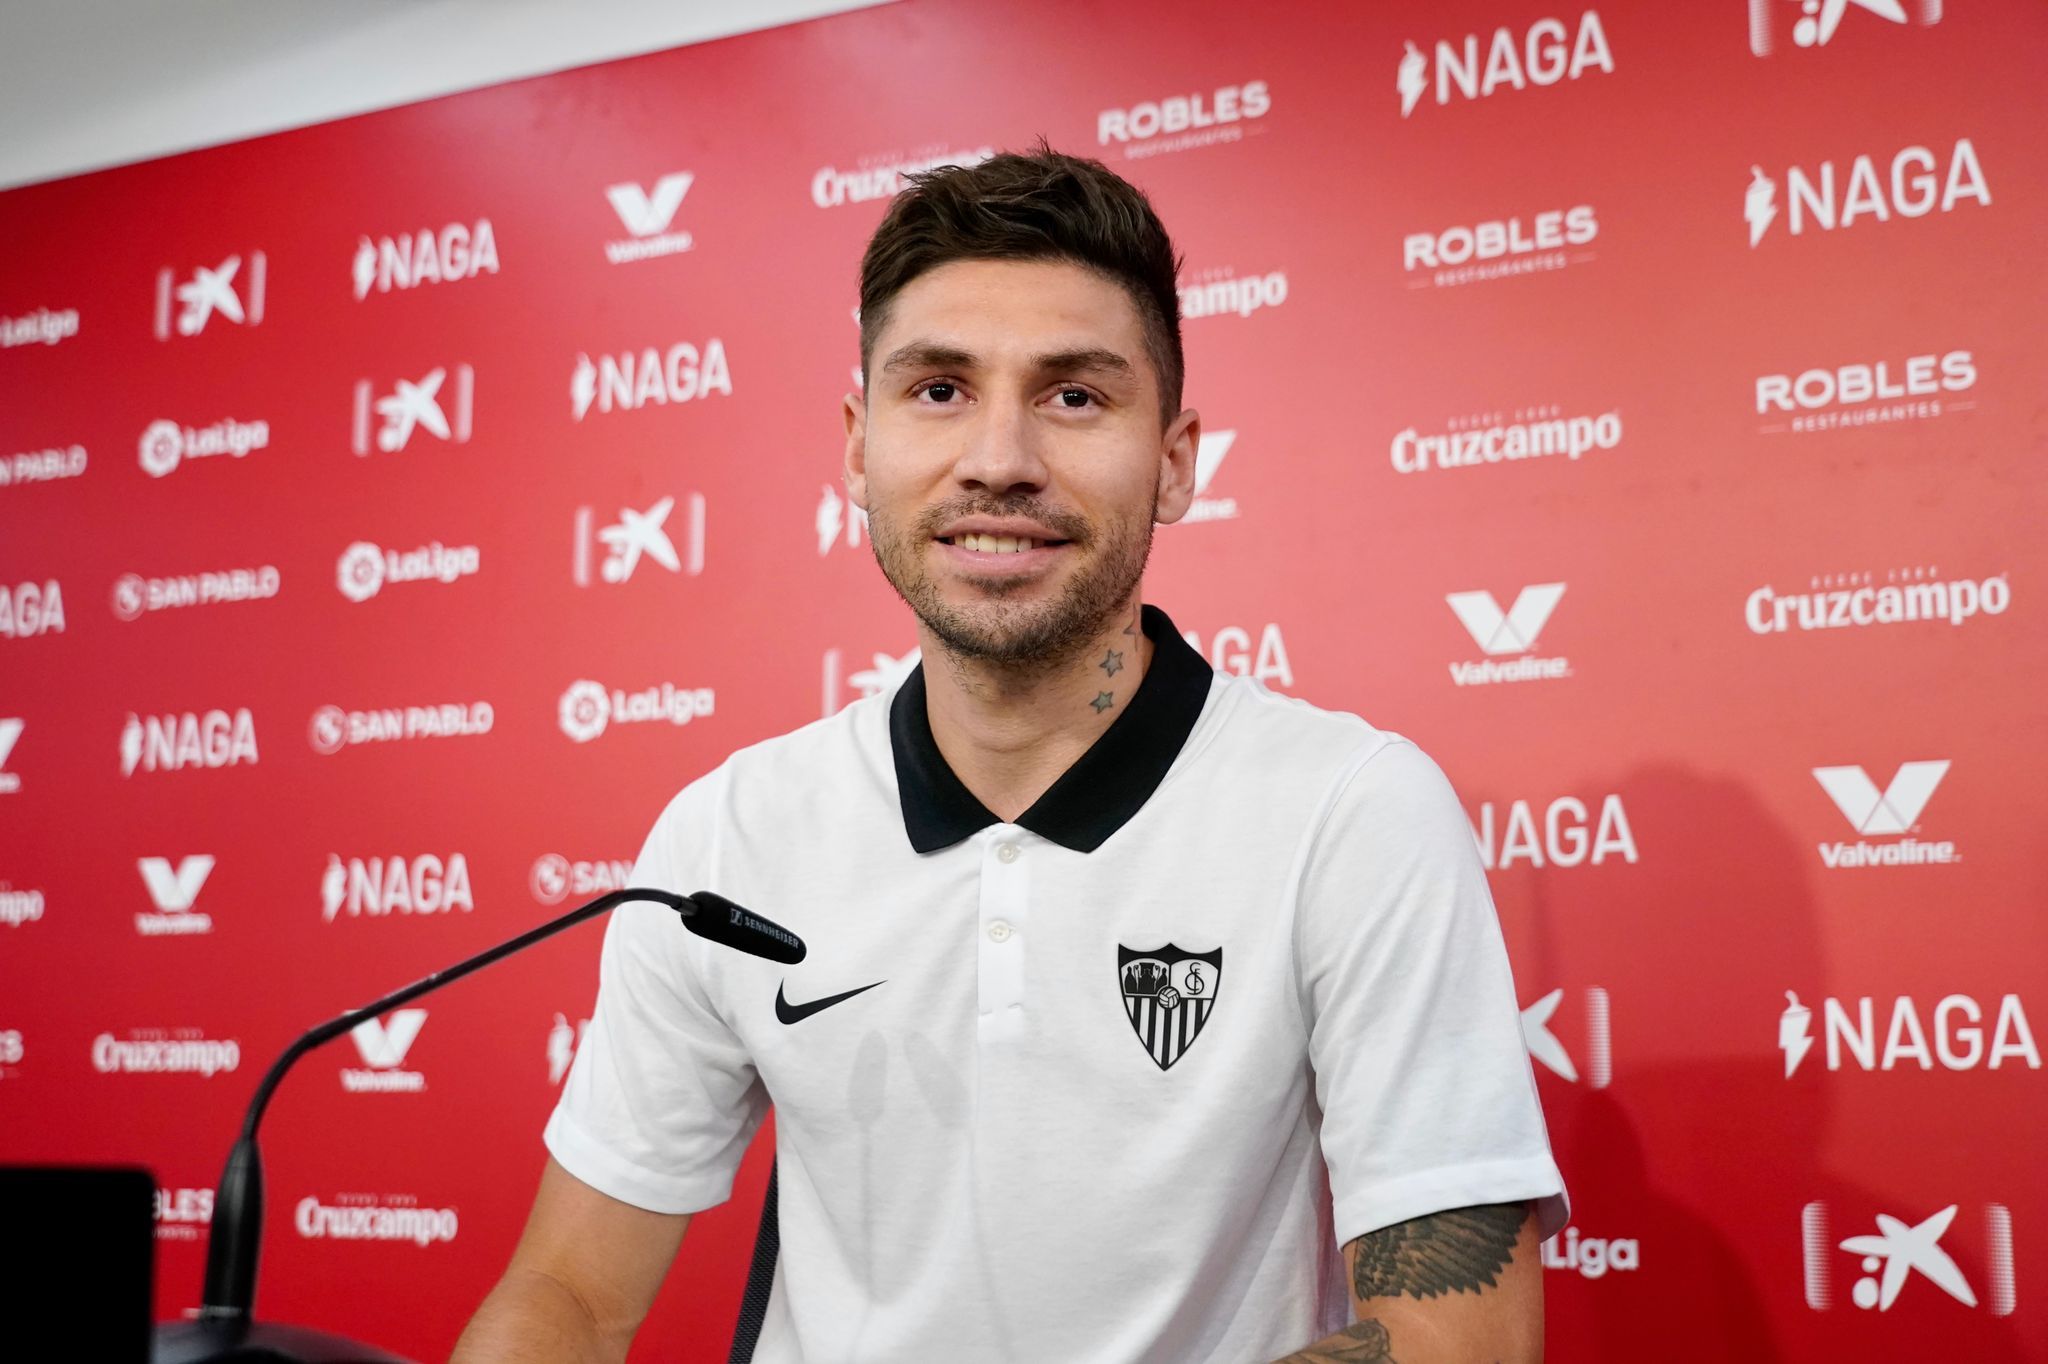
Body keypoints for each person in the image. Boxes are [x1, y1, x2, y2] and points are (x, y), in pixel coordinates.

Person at [454, 146, 1566, 1364]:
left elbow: (1456, 1339)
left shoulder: (1349, 812)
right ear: (854, 445)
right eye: (936, 390)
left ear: (1177, 457)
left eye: (1072, 396)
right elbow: (568, 1288)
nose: (998, 458)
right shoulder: (727, 834)